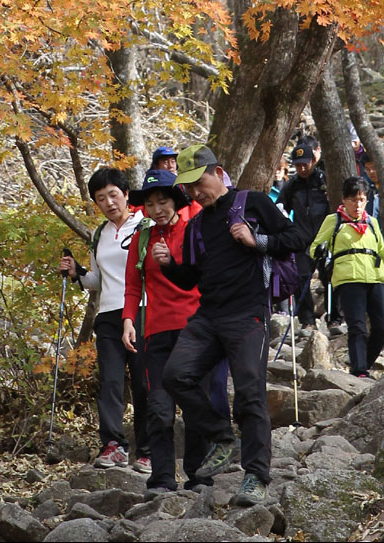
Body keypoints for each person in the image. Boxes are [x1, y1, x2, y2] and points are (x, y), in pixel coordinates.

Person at [151, 144, 304, 507]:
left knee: (250, 394)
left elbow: (298, 238)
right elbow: (190, 279)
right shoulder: (196, 226)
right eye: (187, 188)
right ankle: (221, 436)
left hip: (248, 314)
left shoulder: (252, 203)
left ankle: (256, 476)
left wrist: (258, 240)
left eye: (198, 183)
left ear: (218, 173)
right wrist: (169, 264)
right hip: (207, 316)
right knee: (175, 376)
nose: (194, 193)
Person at [122, 169, 214, 499]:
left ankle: (198, 474)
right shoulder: (141, 238)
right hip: (156, 332)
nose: (157, 209)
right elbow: (133, 286)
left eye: (163, 201)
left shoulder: (194, 231)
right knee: (158, 406)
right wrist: (129, 321)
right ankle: (161, 476)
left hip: (195, 330)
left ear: (175, 201)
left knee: (194, 405)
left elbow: (205, 276)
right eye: (150, 203)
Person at [59, 168, 150, 471]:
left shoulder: (145, 226)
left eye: (113, 194)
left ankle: (148, 449)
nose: (109, 202)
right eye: (101, 198)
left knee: (143, 383)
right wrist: (77, 274)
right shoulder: (100, 233)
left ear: (126, 194)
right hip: (109, 315)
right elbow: (99, 280)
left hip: (143, 311)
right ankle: (114, 445)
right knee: (110, 382)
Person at [310, 176, 384, 378]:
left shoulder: (372, 222)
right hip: (348, 279)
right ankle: (359, 370)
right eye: (352, 199)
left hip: (375, 277)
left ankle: (364, 364)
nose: (357, 205)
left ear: (366, 200)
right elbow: (314, 248)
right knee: (357, 326)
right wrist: (321, 251)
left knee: (382, 328)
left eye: (361, 199)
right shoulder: (333, 221)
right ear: (343, 200)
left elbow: (380, 253)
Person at [277, 143, 329, 329]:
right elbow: (281, 208)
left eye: (305, 164)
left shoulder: (324, 181)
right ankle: (306, 319)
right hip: (301, 238)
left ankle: (334, 317)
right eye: (298, 165)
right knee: (300, 277)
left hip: (325, 237)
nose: (302, 169)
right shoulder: (292, 185)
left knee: (328, 276)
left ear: (313, 161)